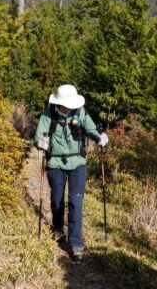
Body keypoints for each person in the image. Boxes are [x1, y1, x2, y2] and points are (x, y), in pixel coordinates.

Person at [34, 84, 108, 261]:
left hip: (78, 162)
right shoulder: (48, 115)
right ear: (59, 103)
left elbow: (91, 129)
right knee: (56, 200)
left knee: (76, 201)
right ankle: (58, 228)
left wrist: (100, 137)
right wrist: (40, 142)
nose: (69, 107)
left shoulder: (80, 112)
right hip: (55, 163)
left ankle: (75, 243)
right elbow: (39, 136)